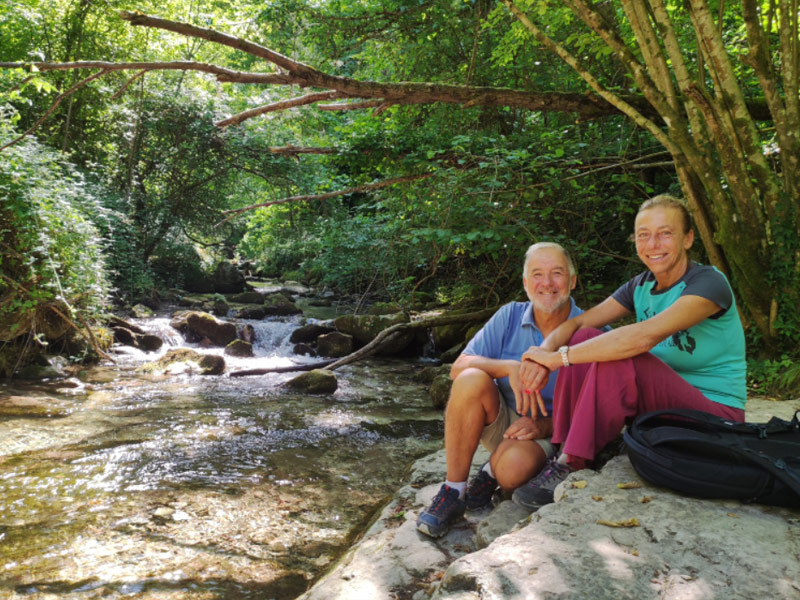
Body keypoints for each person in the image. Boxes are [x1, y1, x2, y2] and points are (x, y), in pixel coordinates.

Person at [512, 195, 746, 511]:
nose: (653, 243)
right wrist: (541, 352)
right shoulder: (641, 285)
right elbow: (579, 321)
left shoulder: (708, 283)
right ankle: (563, 446)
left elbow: (641, 338)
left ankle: (575, 461)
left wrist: (559, 359)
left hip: (715, 416)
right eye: (643, 234)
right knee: (587, 336)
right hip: (663, 406)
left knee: (623, 354)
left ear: (688, 238)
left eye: (666, 233)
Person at [416, 242, 587, 537]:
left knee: (511, 471)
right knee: (471, 378)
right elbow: (458, 367)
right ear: (525, 283)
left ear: (572, 281)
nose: (546, 283)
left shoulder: (591, 332)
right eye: (536, 274)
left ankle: (490, 473)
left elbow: (600, 413)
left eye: (556, 273)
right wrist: (509, 367)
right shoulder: (510, 315)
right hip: (504, 418)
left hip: (552, 432)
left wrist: (545, 425)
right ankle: (454, 491)